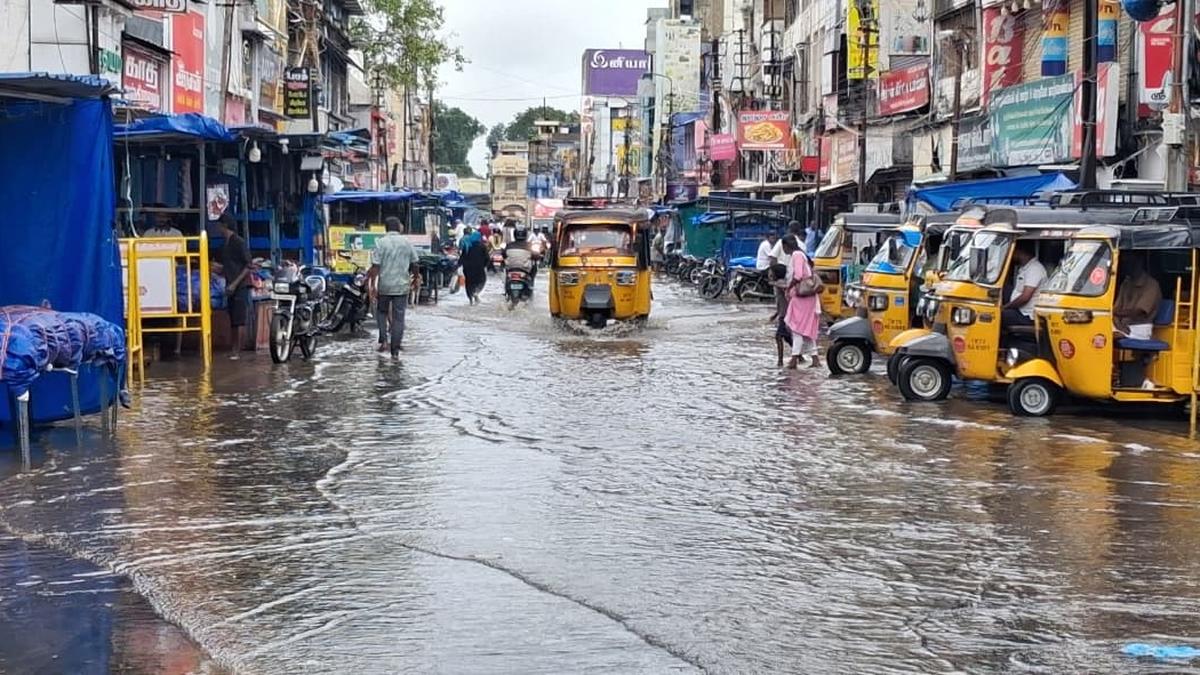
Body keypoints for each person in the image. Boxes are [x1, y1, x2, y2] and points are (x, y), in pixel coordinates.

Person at [366, 216, 420, 358]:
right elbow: (415, 263)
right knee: (398, 318)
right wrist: (415, 279)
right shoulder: (407, 242)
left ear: (386, 228)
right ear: (398, 227)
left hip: (384, 286)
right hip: (401, 286)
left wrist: (372, 285)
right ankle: (395, 351)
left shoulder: (380, 243)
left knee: (382, 312)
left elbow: (376, 266)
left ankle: (383, 339)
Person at [217, 214, 253, 360]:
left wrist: (234, 283)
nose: (218, 229)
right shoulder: (225, 244)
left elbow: (248, 265)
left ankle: (237, 351)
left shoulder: (238, 242)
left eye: (220, 225)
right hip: (230, 284)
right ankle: (234, 349)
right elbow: (228, 265)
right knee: (233, 319)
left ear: (225, 225)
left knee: (239, 320)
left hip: (240, 286)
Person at [784, 235, 823, 369]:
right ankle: (815, 359)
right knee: (805, 329)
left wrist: (788, 288)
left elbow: (798, 275)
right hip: (807, 299)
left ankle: (794, 359)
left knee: (797, 328)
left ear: (786, 246)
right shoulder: (801, 255)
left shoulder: (796, 255)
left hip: (801, 298)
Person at [1001, 241, 1047, 330]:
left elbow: (1025, 297)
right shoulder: (1025, 268)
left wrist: (1005, 307)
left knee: (995, 316)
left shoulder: (1035, 269)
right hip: (1020, 310)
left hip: (1027, 315)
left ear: (1019, 252)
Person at [1114, 255, 1162, 337]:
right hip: (1121, 325)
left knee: (1106, 337)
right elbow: (1116, 309)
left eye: (1130, 262)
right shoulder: (1126, 283)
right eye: (1125, 263)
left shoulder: (1152, 285)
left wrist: (1115, 314)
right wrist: (1118, 324)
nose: (1126, 266)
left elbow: (1139, 312)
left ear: (1139, 263)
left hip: (1140, 328)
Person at [769, 221, 805, 321]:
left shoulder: (782, 241)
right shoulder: (802, 246)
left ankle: (782, 325)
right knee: (792, 304)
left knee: (781, 303)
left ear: (788, 229)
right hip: (794, 281)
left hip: (783, 277)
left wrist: (773, 274)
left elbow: (772, 258)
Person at [459, 228, 489, 304]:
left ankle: (470, 300)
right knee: (482, 280)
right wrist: (485, 266)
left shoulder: (467, 245)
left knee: (469, 283)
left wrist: (459, 266)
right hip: (479, 268)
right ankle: (476, 292)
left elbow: (462, 257)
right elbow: (487, 258)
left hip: (468, 269)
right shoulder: (482, 246)